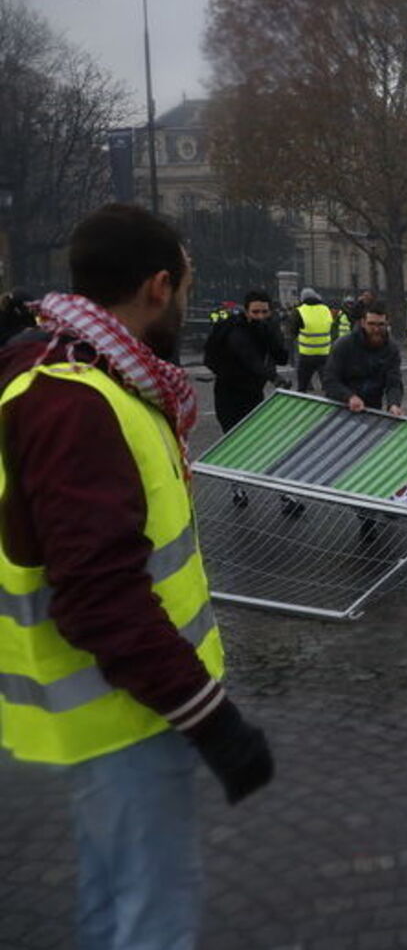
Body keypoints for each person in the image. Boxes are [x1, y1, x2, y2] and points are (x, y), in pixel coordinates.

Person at [0, 204, 274, 949]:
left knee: (114, 899)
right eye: (185, 285)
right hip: (128, 709)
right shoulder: (77, 401)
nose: (186, 300)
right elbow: (98, 593)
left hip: (119, 701)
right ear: (158, 287)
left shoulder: (89, 378)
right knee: (151, 918)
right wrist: (210, 717)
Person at [206, 289, 290, 433]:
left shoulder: (266, 328)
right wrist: (274, 377)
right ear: (246, 312)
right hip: (229, 394)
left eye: (264, 312)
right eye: (255, 312)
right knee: (234, 438)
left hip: (254, 392)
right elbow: (249, 357)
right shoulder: (236, 330)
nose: (260, 316)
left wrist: (274, 333)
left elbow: (281, 357)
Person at [323, 302, 403, 415]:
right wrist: (349, 397)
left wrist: (394, 404)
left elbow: (394, 382)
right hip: (340, 407)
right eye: (371, 324)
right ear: (363, 323)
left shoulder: (391, 349)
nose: (376, 329)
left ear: (387, 324)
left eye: (381, 325)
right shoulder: (344, 345)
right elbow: (330, 380)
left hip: (372, 409)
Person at [291, 287, 336, 392]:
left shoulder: (299, 311)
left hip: (306, 354)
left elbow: (293, 331)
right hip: (325, 353)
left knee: (302, 386)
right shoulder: (325, 309)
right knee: (328, 385)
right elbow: (330, 325)